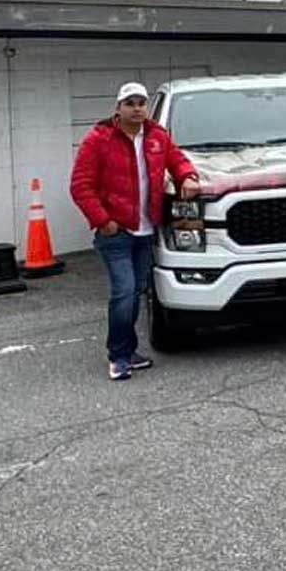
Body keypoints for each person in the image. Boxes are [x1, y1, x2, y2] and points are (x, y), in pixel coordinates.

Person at [69, 81, 201, 381]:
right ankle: (117, 356)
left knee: (136, 292)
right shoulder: (98, 139)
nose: (137, 108)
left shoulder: (157, 136)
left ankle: (128, 351)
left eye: (141, 102)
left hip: (146, 230)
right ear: (118, 108)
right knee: (124, 292)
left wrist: (188, 176)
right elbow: (80, 186)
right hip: (116, 233)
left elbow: (176, 159)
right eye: (130, 103)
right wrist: (104, 220)